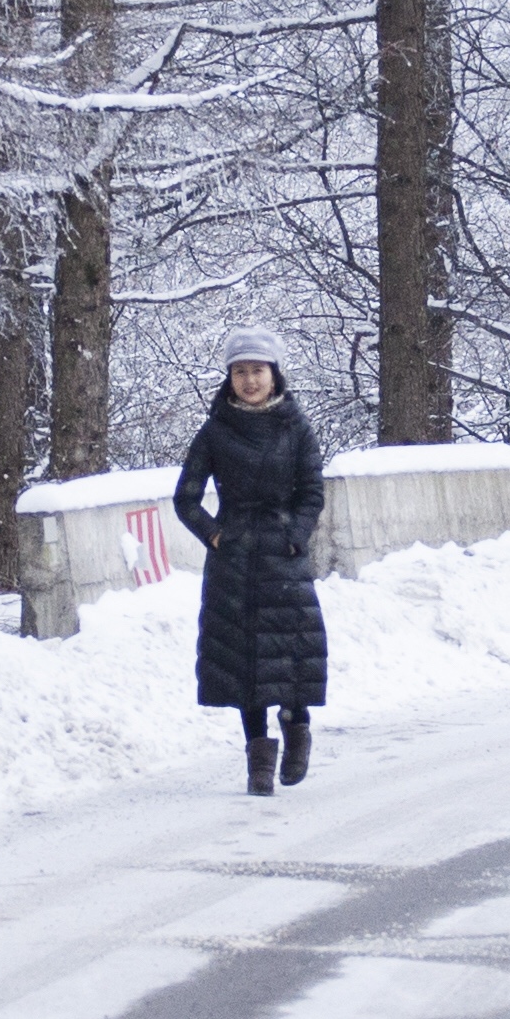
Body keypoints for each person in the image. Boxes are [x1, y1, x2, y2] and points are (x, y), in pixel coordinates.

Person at [173, 337, 331, 795]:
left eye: (257, 370)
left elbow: (312, 492)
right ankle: (258, 761)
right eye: (240, 371)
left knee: (293, 654)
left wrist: (295, 536)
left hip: (285, 558)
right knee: (243, 663)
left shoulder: (296, 427)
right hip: (234, 560)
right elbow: (185, 498)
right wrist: (215, 534)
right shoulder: (214, 431)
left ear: (274, 373)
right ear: (230, 377)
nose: (249, 380)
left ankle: (297, 728)